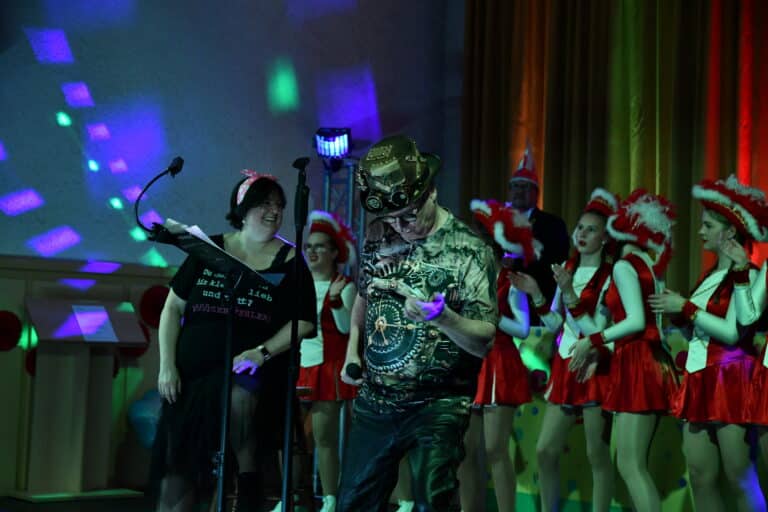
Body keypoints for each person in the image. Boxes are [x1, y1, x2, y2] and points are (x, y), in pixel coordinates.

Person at [336, 135, 498, 512]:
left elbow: (484, 340)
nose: (400, 225)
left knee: (432, 501)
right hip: (377, 400)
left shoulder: (470, 251)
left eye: (408, 215)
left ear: (432, 193)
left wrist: (444, 318)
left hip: (438, 403)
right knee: (353, 502)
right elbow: (365, 294)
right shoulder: (379, 234)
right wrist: (352, 350)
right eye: (391, 217)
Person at [152, 171, 317, 512]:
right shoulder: (208, 249)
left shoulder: (290, 260)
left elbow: (303, 321)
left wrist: (262, 352)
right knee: (176, 475)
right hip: (192, 374)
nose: (274, 211)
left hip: (252, 370)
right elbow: (172, 309)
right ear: (242, 209)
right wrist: (166, 366)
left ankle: (247, 478)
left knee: (240, 397)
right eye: (264, 204)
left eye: (279, 205)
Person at [651, 175, 768, 512]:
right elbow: (700, 332)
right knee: (700, 475)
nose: (700, 231)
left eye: (708, 226)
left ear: (730, 232)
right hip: (699, 376)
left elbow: (733, 333)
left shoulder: (750, 275)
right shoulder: (708, 277)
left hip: (730, 378)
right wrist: (680, 317)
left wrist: (685, 307)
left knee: (738, 474)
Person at [569, 189, 678, 512]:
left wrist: (593, 340)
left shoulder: (623, 266)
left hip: (638, 362)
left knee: (631, 466)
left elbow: (636, 321)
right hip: (646, 360)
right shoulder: (646, 263)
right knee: (632, 464)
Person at [511, 188, 617, 512]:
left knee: (597, 455)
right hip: (565, 365)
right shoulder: (568, 268)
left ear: (604, 238)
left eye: (591, 230)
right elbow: (557, 323)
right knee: (545, 451)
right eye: (580, 227)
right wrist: (537, 294)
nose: (582, 234)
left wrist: (570, 291)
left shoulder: (611, 276)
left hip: (594, 367)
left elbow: (596, 332)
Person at [458, 199, 537, 512]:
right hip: (471, 361)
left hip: (500, 364)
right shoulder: (466, 280)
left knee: (495, 450)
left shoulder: (510, 281)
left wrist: (493, 316)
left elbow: (523, 329)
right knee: (464, 449)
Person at [293, 210, 358, 512]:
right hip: (297, 368)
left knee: (324, 438)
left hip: (327, 369)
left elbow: (347, 329)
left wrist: (335, 301)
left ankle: (330, 499)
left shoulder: (345, 285)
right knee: (290, 438)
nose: (312, 251)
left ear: (334, 253)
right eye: (309, 246)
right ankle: (291, 494)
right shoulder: (298, 285)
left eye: (319, 246)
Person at [506, 143, 570, 325]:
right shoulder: (498, 223)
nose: (519, 191)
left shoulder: (552, 224)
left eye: (525, 187)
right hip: (502, 307)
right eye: (515, 186)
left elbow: (557, 261)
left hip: (537, 306)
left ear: (536, 193)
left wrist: (519, 262)